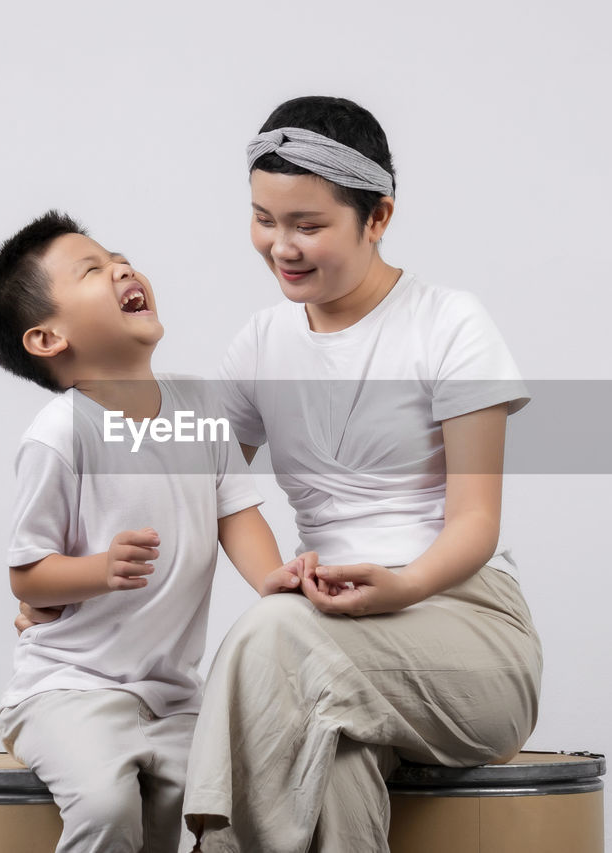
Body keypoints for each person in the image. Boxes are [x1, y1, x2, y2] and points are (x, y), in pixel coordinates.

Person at [179, 96, 544, 852]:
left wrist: (403, 586)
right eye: (263, 219)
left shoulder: (448, 322)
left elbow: (477, 522)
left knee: (277, 636)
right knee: (329, 763)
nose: (281, 246)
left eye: (308, 225)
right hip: (324, 640)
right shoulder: (259, 343)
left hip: (465, 628)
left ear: (377, 217)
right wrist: (65, 585)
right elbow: (200, 483)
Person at [0, 210, 311, 853]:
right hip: (69, 690)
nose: (122, 268)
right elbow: (27, 573)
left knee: (226, 813)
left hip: (174, 696)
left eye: (118, 258)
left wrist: (274, 581)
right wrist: (98, 571)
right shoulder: (60, 435)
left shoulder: (198, 406)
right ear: (47, 340)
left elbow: (234, 511)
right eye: (92, 270)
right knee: (106, 808)